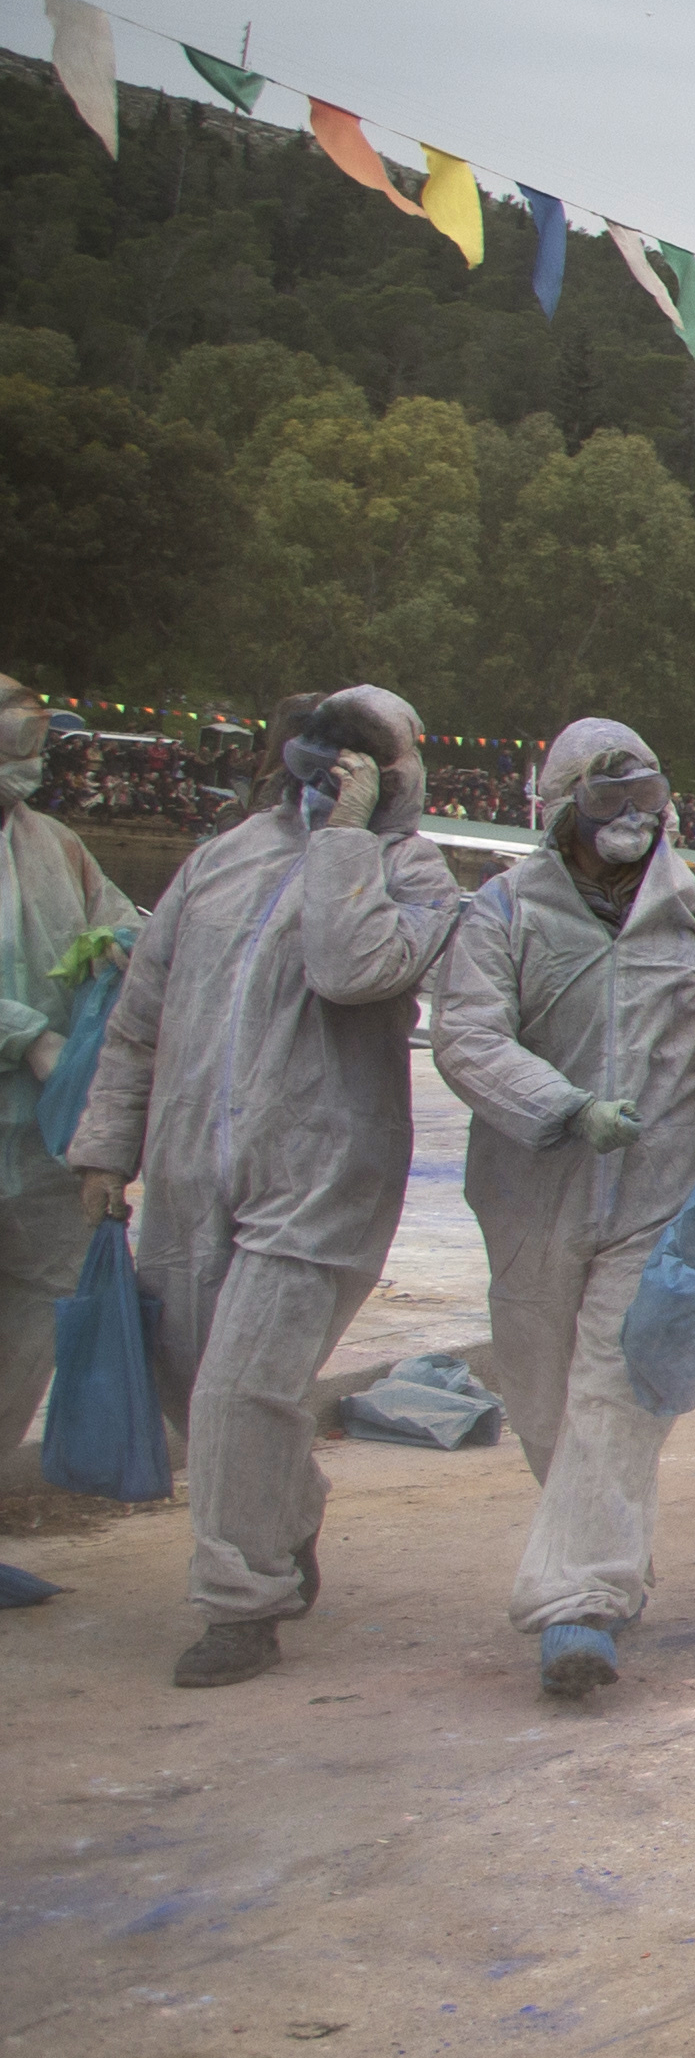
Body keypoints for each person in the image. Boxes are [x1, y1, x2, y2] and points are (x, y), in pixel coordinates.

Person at [61, 686, 461, 1687]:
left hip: (322, 1177)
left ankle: (241, 1604)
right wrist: (107, 1150)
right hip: (191, 1176)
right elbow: (138, 1019)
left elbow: (350, 968)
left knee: (242, 1390)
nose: (332, 765)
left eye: (365, 756)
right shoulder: (219, 863)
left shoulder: (416, 875)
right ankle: (282, 1520)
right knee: (199, 1385)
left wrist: (346, 842)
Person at [427, 719, 695, 1698]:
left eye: (646, 796)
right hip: (530, 1193)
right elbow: (465, 1035)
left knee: (611, 1391)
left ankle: (578, 1607)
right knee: (542, 1400)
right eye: (607, 799)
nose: (632, 819)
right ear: (559, 810)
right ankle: (601, 1550)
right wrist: (561, 1108)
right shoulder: (499, 913)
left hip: (659, 1196)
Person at [0, 678, 142, 1490]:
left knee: (28, 1326)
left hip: (43, 1138)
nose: (23, 771)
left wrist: (116, 946)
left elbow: (115, 916)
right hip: (31, 1083)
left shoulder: (53, 843)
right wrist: (24, 1036)